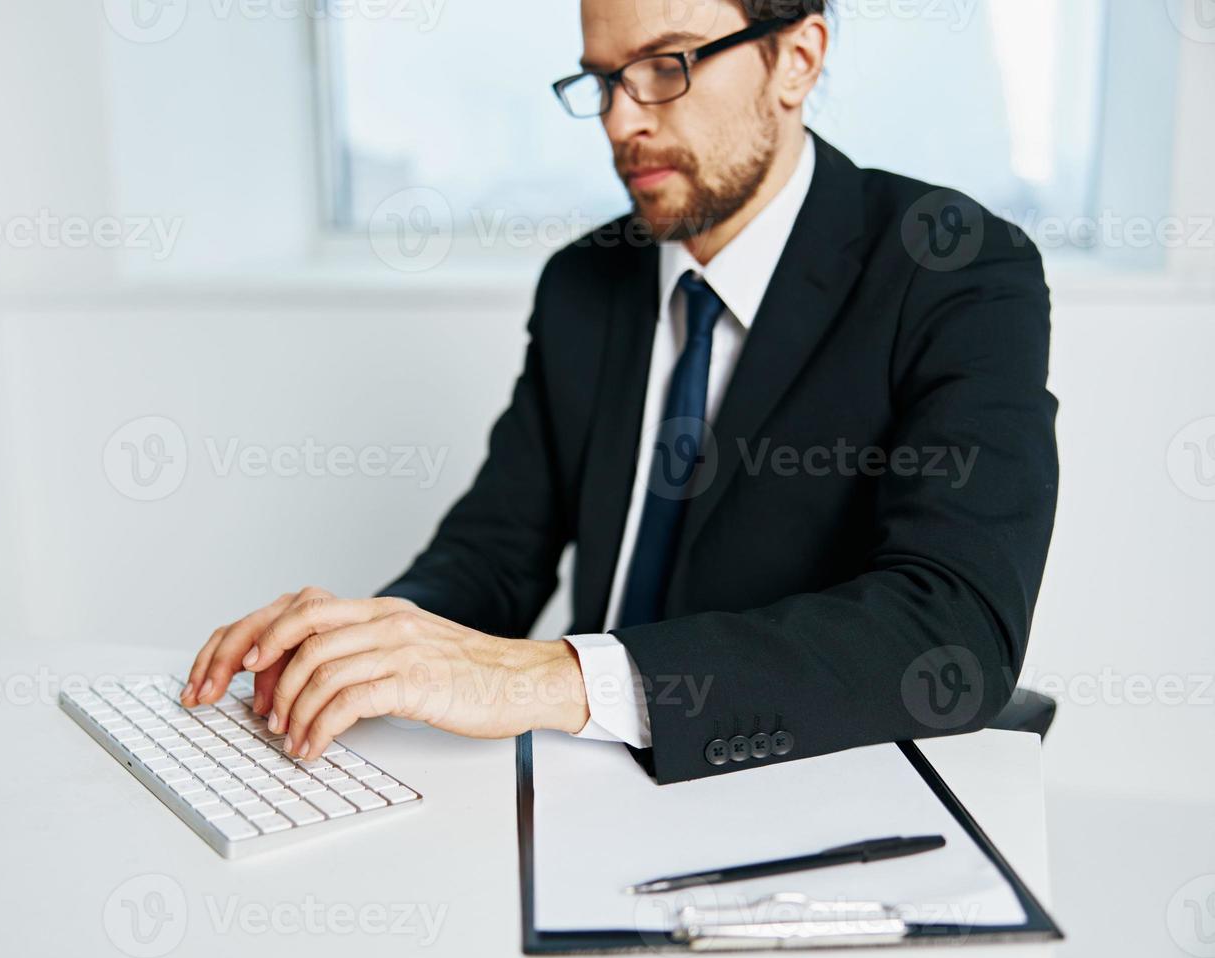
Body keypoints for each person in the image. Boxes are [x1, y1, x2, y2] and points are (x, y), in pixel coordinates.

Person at [179, 0, 1058, 784]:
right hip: (585, 781)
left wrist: (543, 677)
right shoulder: (584, 284)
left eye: (665, 67)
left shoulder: (957, 272)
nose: (620, 120)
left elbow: (952, 626)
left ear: (797, 58)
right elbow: (496, 549)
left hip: (802, 786)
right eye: (602, 79)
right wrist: (377, 642)